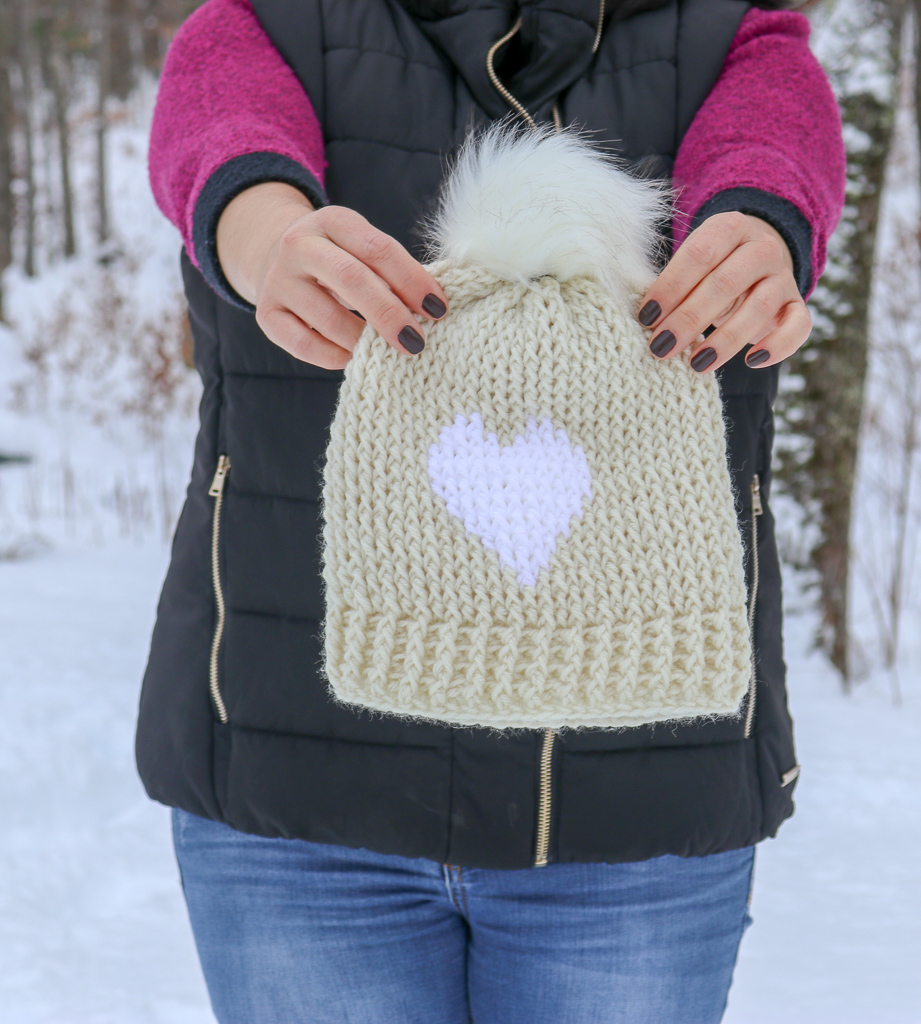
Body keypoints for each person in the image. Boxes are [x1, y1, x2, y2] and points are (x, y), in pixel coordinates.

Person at [139, 0, 845, 1020]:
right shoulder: (261, 23)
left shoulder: (738, 38)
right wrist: (268, 238)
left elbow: (769, 152)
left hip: (637, 813)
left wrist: (757, 231)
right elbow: (225, 138)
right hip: (292, 794)